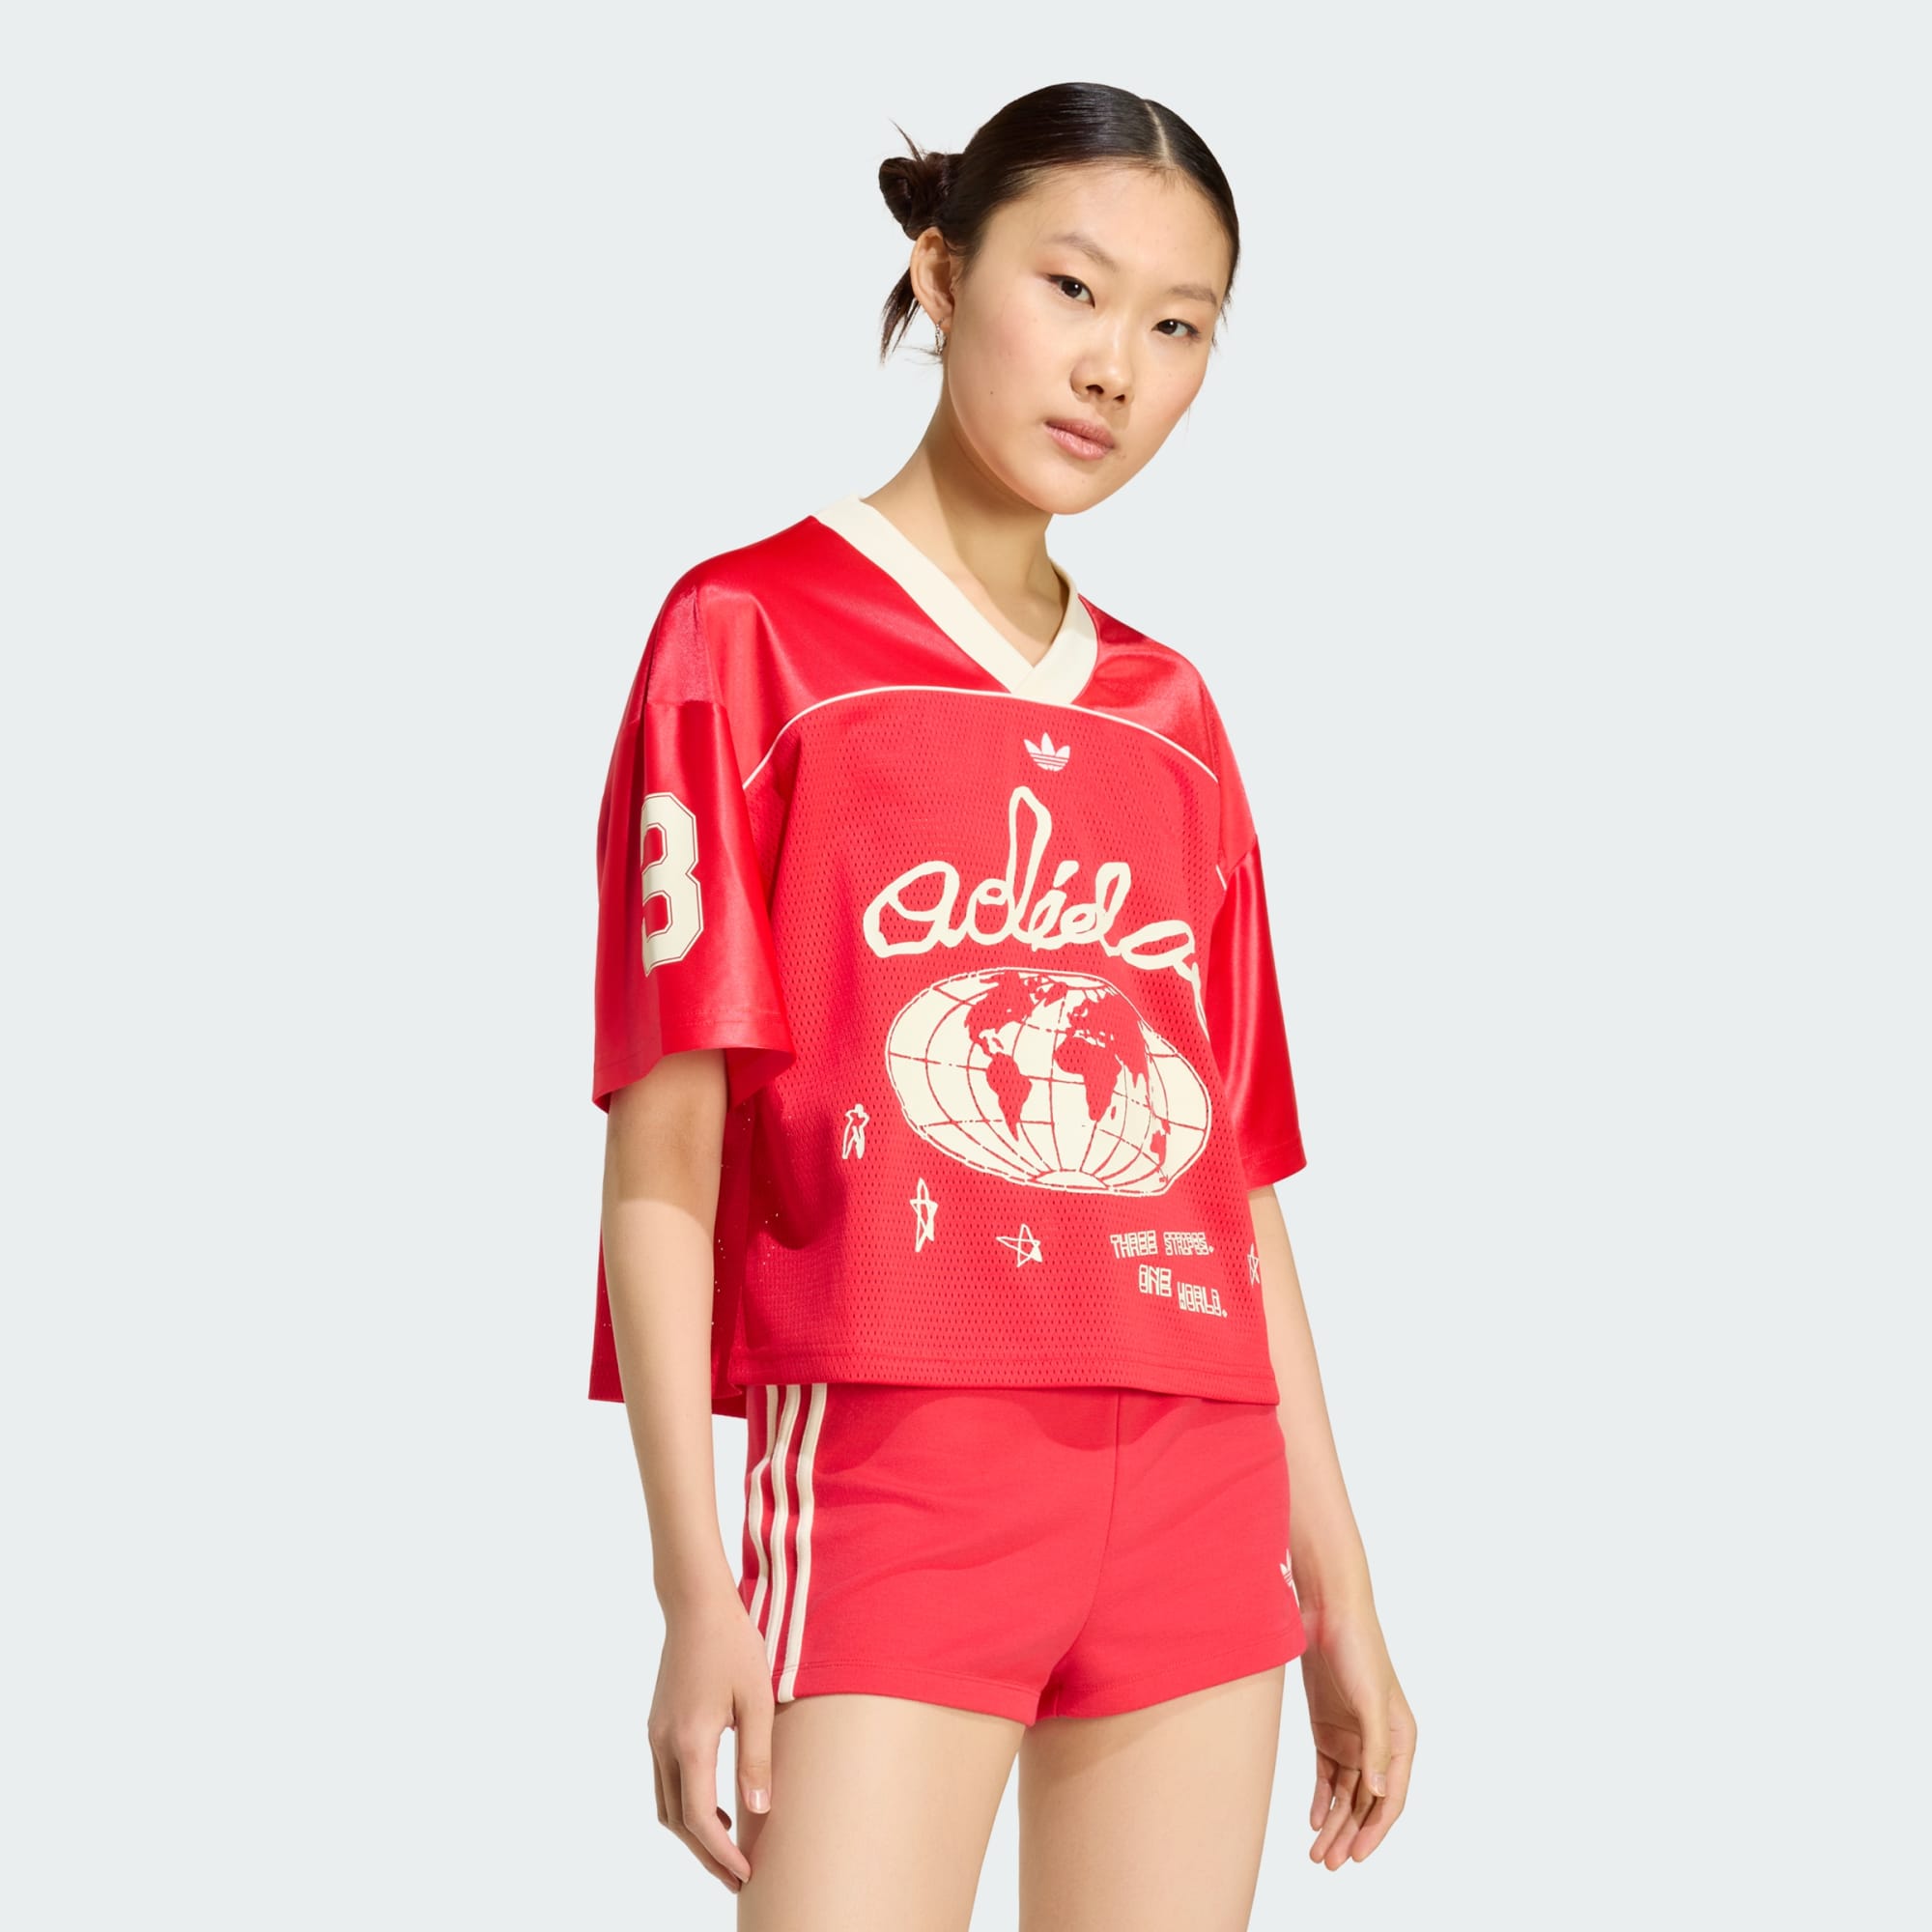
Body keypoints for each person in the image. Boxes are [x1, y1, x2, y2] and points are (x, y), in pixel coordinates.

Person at [590, 79, 1415, 1927]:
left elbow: (1232, 1181)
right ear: (943, 274)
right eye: (1073, 288)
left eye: (1179, 327)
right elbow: (666, 1144)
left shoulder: (1174, 718)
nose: (1115, 366)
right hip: (900, 1471)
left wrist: (1341, 1585)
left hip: (1200, 1486)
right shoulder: (747, 637)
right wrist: (693, 1589)